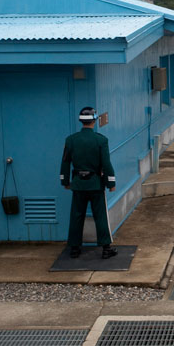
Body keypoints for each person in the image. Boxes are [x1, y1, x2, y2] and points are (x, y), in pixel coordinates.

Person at [60, 106, 117, 259]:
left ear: (81, 121)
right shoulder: (101, 140)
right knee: (100, 216)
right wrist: (111, 183)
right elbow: (106, 164)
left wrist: (65, 181)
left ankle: (74, 248)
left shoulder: (71, 140)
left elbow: (65, 162)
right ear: (94, 121)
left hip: (78, 184)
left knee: (77, 215)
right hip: (96, 184)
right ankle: (106, 248)